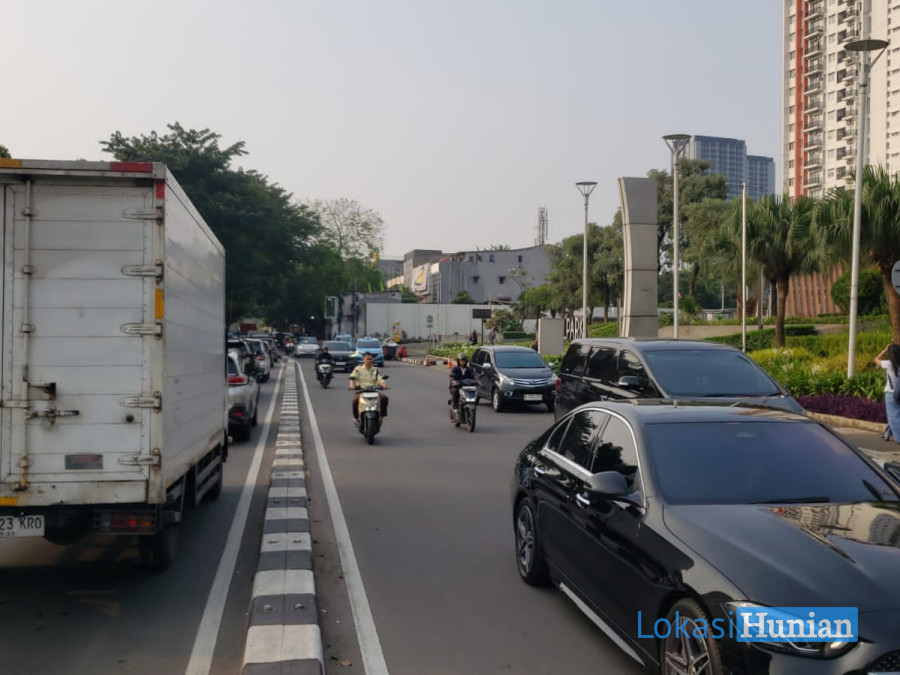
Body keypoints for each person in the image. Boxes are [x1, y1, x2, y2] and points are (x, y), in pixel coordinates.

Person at [349, 352, 389, 422]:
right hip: (361, 391)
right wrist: (352, 385)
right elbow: (352, 377)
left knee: (384, 398)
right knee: (355, 401)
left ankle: (381, 416)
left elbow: (380, 379)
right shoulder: (358, 369)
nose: (369, 361)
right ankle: (356, 418)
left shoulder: (376, 370)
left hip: (373, 391)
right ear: (363, 360)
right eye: (367, 359)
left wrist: (384, 385)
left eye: (370, 359)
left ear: (373, 360)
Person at [875, 343, 900, 442]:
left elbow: (876, 360)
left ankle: (898, 437)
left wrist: (884, 351)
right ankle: (887, 434)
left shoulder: (889, 364)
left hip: (890, 393)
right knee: (895, 413)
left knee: (893, 416)